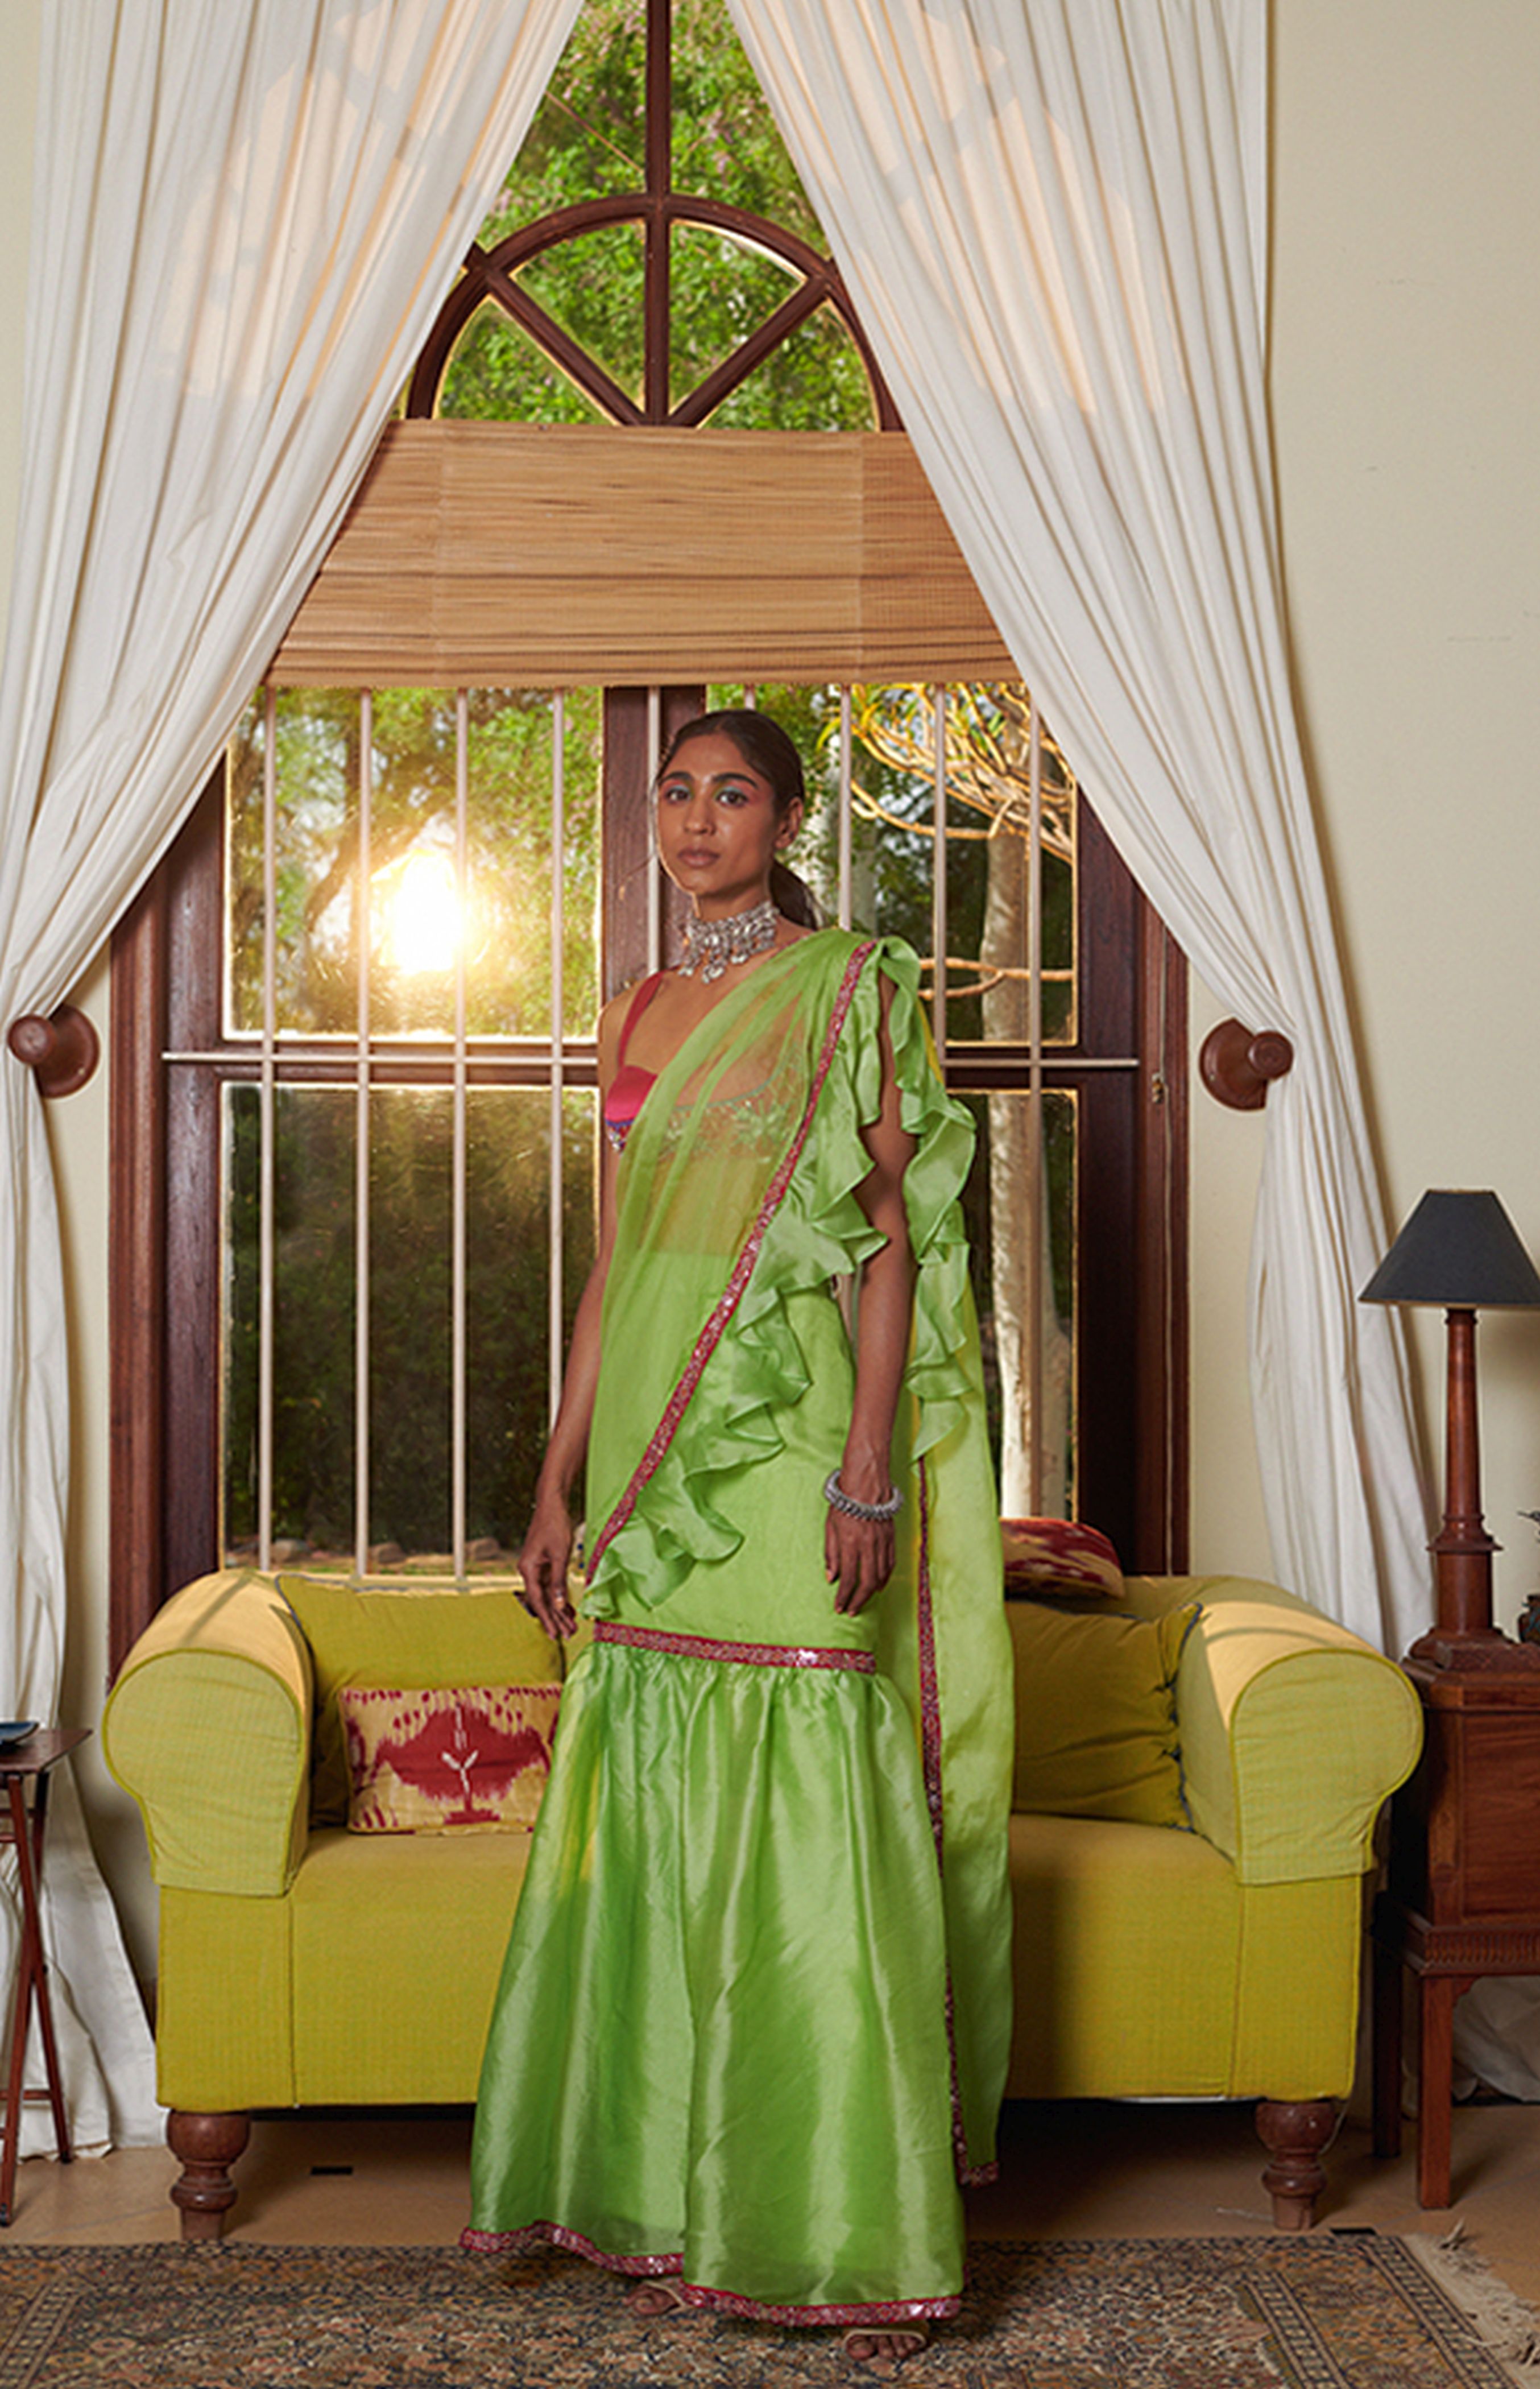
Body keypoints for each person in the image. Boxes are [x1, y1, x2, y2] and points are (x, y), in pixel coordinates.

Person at [463, 710, 1012, 2366]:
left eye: (735, 794)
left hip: (786, 1452)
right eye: (679, 793)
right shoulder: (634, 1010)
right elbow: (617, 1262)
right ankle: (671, 2203)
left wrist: (868, 1466)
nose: (699, 818)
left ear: (785, 819)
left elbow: (892, 1240)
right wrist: (558, 1481)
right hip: (645, 1455)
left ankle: (860, 2236)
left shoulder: (851, 987)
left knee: (813, 1819)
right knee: (654, 1827)